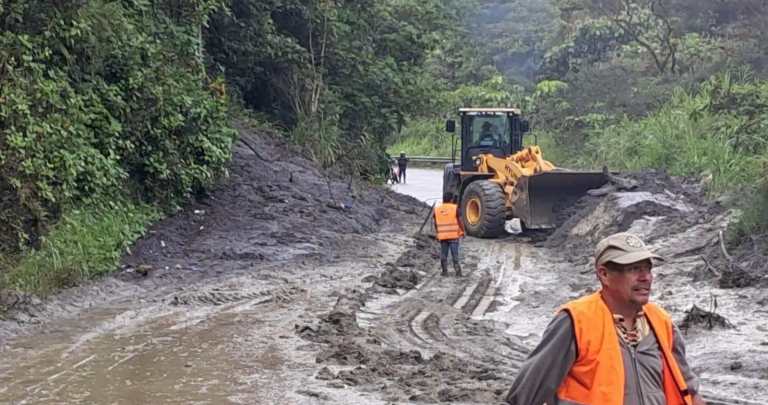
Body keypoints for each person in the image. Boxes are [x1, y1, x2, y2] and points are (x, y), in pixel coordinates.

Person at [505, 232, 706, 405]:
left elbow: (688, 391)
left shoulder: (662, 323)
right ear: (604, 274)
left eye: (648, 268)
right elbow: (525, 395)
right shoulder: (576, 321)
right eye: (634, 269)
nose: (646, 277)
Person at [433, 193, 464, 277]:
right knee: (455, 255)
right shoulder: (455, 208)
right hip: (454, 235)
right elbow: (460, 221)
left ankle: (444, 272)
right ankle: (458, 272)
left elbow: (435, 223)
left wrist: (438, 233)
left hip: (443, 236)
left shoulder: (437, 209)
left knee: (444, 254)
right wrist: (463, 231)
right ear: (451, 199)